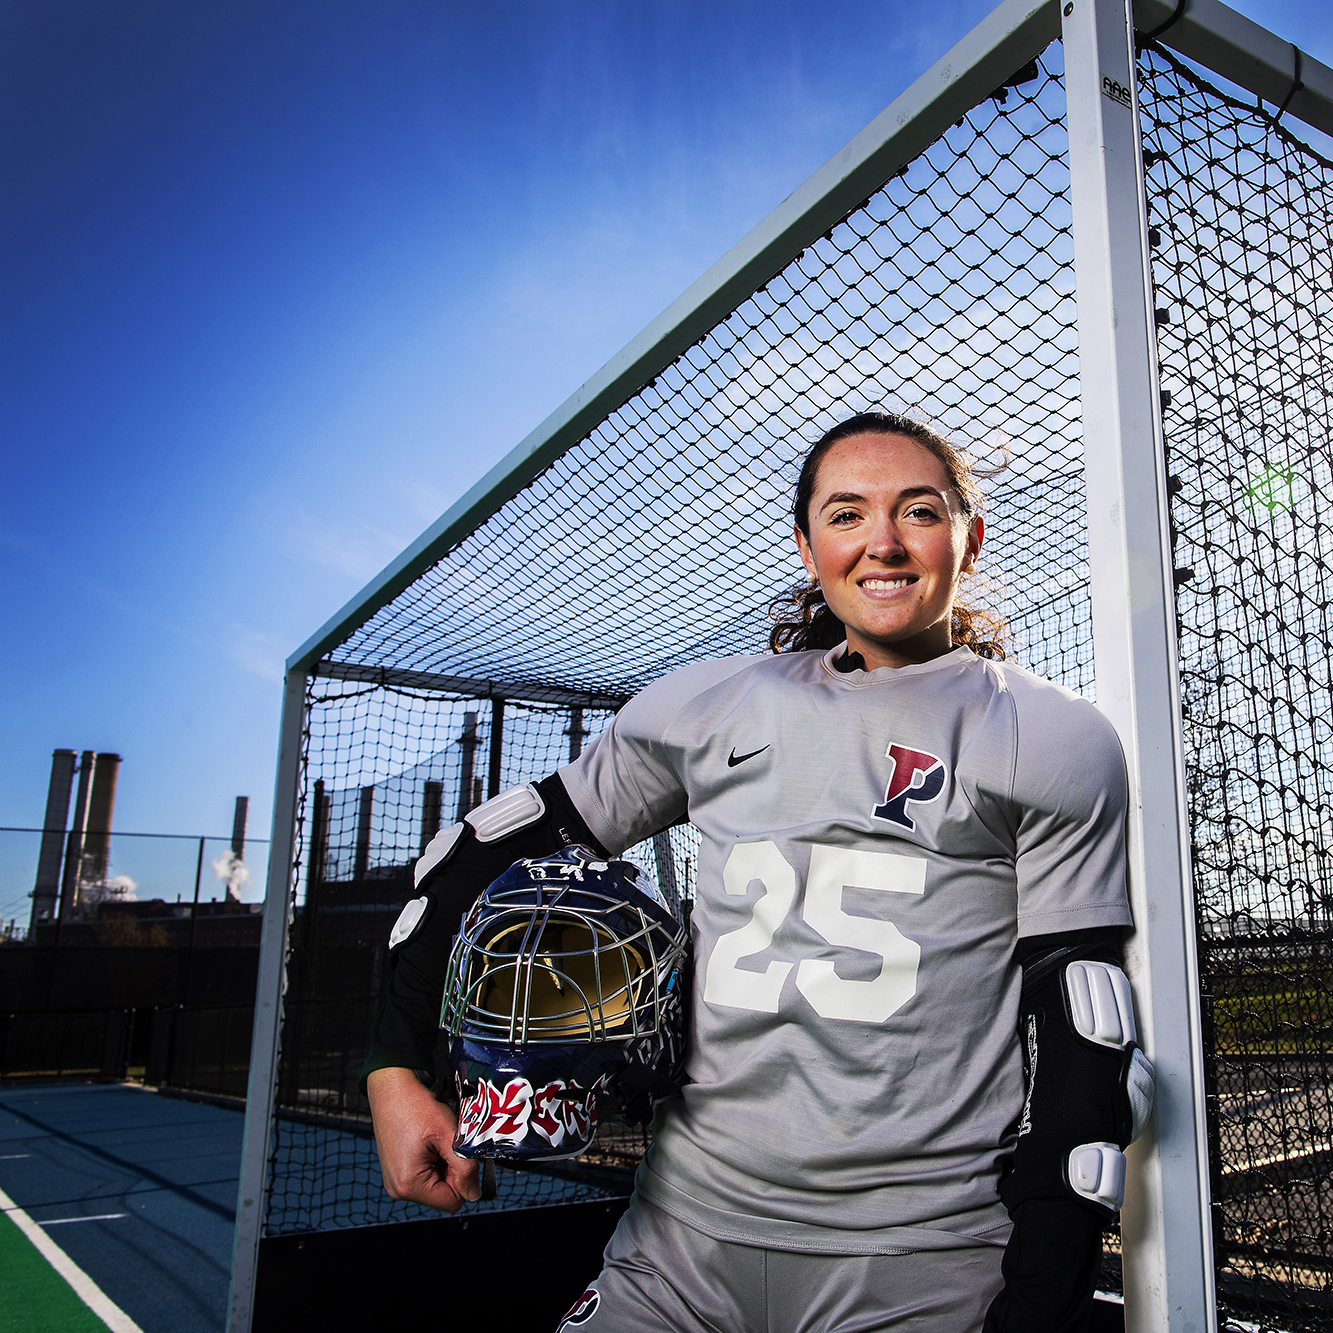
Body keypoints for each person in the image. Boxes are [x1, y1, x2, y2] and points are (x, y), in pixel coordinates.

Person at [364, 412, 1151, 1332]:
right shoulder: (709, 706)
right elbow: (483, 852)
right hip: (677, 1246)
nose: (884, 542)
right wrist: (392, 1067)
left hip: (917, 1262)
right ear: (807, 542)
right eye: (848, 513)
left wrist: (1040, 1304)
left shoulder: (1046, 737)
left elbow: (1082, 1030)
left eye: (920, 511)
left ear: (969, 539)